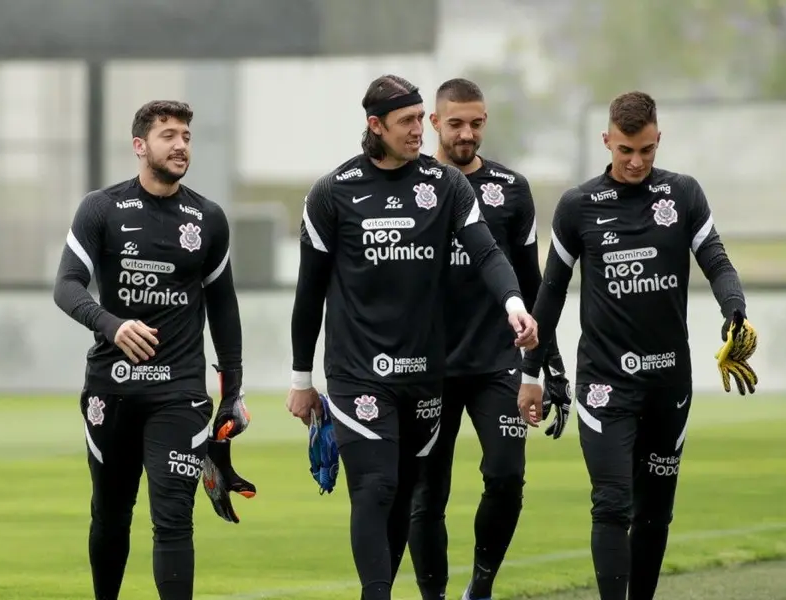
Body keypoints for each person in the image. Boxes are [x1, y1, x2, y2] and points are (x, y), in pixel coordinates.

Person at [286, 74, 539, 600]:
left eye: (421, 119)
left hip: (426, 377)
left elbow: (489, 252)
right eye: (406, 122)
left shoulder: (446, 186)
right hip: (359, 373)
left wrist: (513, 303)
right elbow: (309, 294)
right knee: (375, 489)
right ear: (374, 126)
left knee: (403, 498)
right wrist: (301, 378)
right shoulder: (332, 193)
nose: (418, 131)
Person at [516, 91, 758, 600]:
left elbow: (716, 260)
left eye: (646, 150)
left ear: (658, 140)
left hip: (670, 380)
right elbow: (550, 295)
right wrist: (532, 375)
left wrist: (734, 311)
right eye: (625, 150)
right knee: (611, 502)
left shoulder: (684, 194)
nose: (636, 161)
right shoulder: (577, 206)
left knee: (655, 511)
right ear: (607, 141)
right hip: (606, 382)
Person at [52, 99, 249, 600]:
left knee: (173, 516)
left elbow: (224, 309)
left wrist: (233, 389)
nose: (181, 144)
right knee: (111, 514)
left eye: (185, 134)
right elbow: (67, 287)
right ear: (140, 146)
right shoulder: (101, 208)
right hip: (110, 392)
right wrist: (111, 325)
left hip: (179, 394)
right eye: (168, 135)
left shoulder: (208, 218)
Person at [408, 78, 572, 600]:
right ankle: (432, 594)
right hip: (426, 368)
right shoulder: (409, 185)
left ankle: (480, 587)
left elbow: (533, 284)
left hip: (497, 363)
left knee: (506, 477)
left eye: (476, 123)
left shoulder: (511, 189)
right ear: (433, 123)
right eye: (455, 123)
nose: (466, 134)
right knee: (426, 494)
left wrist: (549, 366)